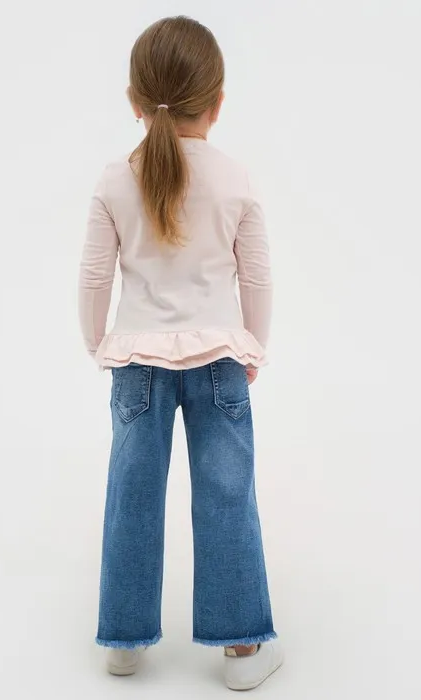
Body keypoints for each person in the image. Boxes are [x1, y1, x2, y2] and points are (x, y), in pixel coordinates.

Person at [78, 15, 283, 692]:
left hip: (137, 363)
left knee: (131, 497)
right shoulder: (235, 178)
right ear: (217, 103)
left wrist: (98, 344)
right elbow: (256, 277)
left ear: (134, 102)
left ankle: (124, 643)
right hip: (220, 359)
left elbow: (94, 278)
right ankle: (243, 648)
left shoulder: (115, 180)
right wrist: (253, 346)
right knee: (227, 497)